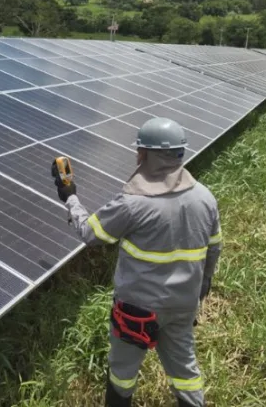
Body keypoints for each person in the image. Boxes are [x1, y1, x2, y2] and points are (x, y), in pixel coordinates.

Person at [54, 117, 222, 407]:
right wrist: (201, 292)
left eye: (139, 150)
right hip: (184, 304)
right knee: (185, 372)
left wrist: (70, 197)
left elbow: (90, 233)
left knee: (122, 373)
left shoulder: (133, 203)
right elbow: (214, 250)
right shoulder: (205, 198)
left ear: (146, 155)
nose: (137, 155)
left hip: (137, 310)